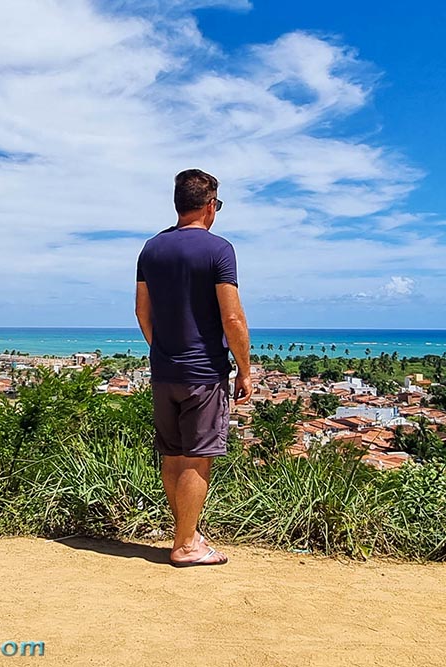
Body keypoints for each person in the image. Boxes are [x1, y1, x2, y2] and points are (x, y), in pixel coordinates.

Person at [135, 168, 253, 567]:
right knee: (197, 458)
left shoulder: (151, 249)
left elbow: (142, 311)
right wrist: (245, 369)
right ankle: (185, 544)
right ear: (209, 206)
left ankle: (186, 532)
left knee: (173, 455)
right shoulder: (219, 250)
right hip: (203, 374)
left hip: (164, 370)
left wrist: (163, 350)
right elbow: (232, 318)